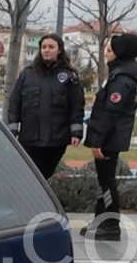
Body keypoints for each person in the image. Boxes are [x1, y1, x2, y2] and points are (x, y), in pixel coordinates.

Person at [81, 33, 137, 241]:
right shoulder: (124, 74)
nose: (105, 53)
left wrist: (97, 141)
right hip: (111, 137)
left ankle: (110, 224)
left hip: (109, 139)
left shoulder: (122, 78)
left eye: (110, 50)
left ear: (121, 53)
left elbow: (110, 113)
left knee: (107, 182)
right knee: (104, 181)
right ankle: (101, 220)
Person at [7, 33, 85, 178]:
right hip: (29, 138)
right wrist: (12, 127)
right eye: (43, 47)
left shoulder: (69, 76)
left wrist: (76, 132)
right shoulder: (27, 74)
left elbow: (76, 105)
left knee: (44, 176)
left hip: (56, 140)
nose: (46, 50)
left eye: (51, 47)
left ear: (59, 50)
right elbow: (15, 101)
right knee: (30, 176)